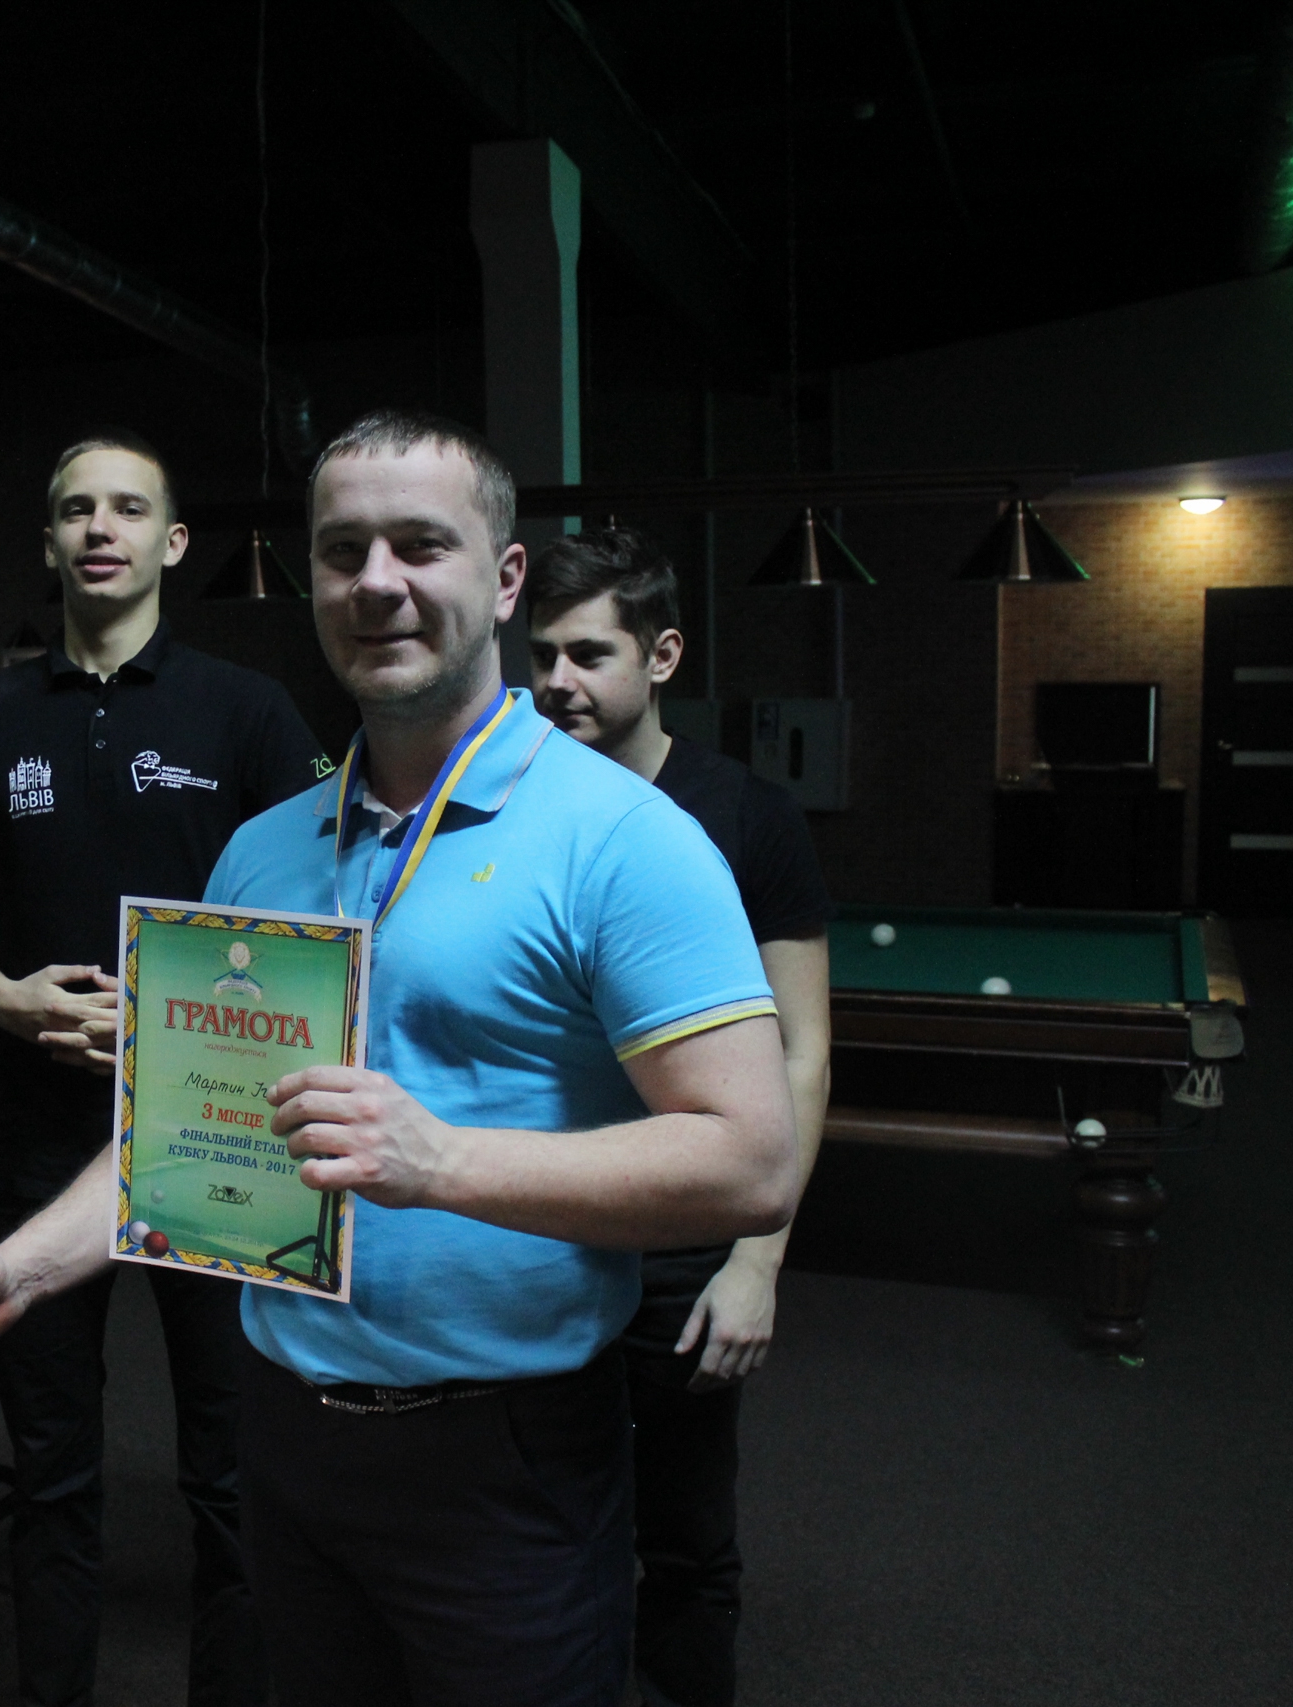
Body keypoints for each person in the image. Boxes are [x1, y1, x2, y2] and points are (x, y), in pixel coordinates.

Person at [0, 410, 799, 1707]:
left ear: (504, 579)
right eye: (342, 550)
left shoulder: (626, 838)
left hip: (506, 1445)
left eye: (420, 545)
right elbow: (178, 1136)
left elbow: (751, 1160)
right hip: (286, 1424)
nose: (377, 581)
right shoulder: (260, 849)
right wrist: (20, 1268)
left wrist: (443, 1162)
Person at [0, 430, 327, 1707]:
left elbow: (316, 925)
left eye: (129, 509)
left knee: (229, 1471)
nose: (101, 528)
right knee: (52, 1469)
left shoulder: (248, 711)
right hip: (41, 1128)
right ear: (49, 542)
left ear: (172, 542)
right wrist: (1, 995)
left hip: (215, 1132)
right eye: (76, 509)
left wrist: (195, 1029)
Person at [525, 527, 833, 1707]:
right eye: (541, 655)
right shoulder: (512, 805)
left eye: (588, 654)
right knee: (542, 1526)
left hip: (684, 1245)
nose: (557, 682)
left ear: (660, 656)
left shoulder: (745, 814)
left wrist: (758, 1263)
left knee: (687, 1539)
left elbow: (799, 1055)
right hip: (541, 1228)